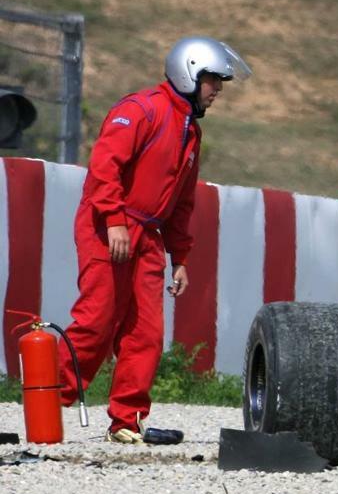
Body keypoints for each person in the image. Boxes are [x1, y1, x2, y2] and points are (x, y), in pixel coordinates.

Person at [57, 36, 251, 444]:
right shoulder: (140, 110)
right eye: (213, 81)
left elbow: (181, 203)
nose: (217, 91)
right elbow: (103, 168)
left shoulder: (191, 134)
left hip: (146, 234)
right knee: (97, 320)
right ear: (190, 73)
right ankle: (48, 399)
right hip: (106, 223)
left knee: (146, 331)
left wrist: (180, 256)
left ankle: (126, 421)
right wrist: (114, 221)